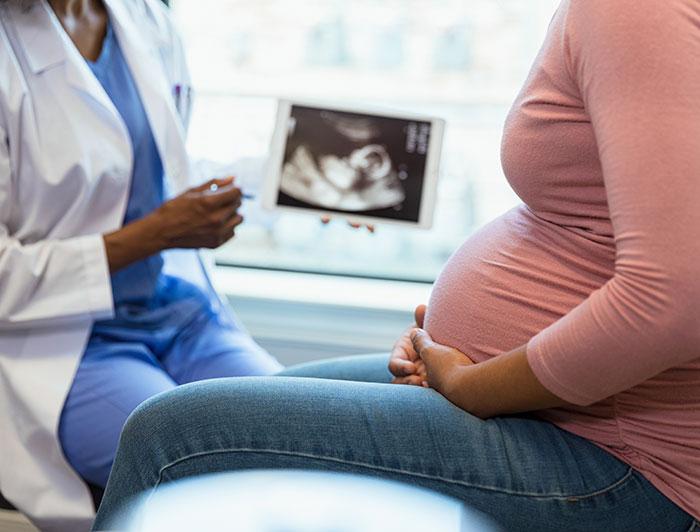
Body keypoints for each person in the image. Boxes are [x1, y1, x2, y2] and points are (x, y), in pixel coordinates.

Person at [94, 1, 700, 531]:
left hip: (630, 459)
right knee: (249, 407)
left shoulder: (637, 9)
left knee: (173, 436)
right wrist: (460, 332)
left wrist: (472, 384)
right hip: (567, 409)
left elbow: (671, 301)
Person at [0, 0, 282, 529]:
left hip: (174, 313)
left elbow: (156, 171)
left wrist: (297, 189)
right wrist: (156, 234)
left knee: (309, 442)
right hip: (62, 345)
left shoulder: (142, 14)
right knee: (206, 487)